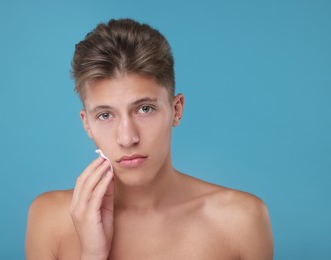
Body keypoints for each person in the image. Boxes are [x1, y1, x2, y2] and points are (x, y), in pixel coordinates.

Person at [25, 18, 273, 260]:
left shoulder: (241, 221)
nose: (127, 138)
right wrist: (92, 255)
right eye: (105, 115)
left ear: (176, 109)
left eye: (144, 109)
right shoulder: (50, 219)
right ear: (86, 124)